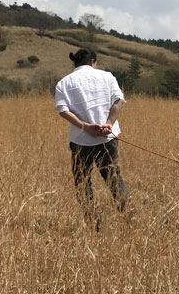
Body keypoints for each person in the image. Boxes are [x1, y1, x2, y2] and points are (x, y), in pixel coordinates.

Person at [54, 48, 128, 231]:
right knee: (113, 179)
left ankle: (94, 226)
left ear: (75, 63)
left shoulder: (63, 83)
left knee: (82, 183)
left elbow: (63, 110)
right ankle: (129, 218)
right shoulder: (107, 77)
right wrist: (109, 123)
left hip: (80, 141)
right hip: (108, 139)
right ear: (93, 61)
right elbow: (119, 101)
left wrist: (85, 127)